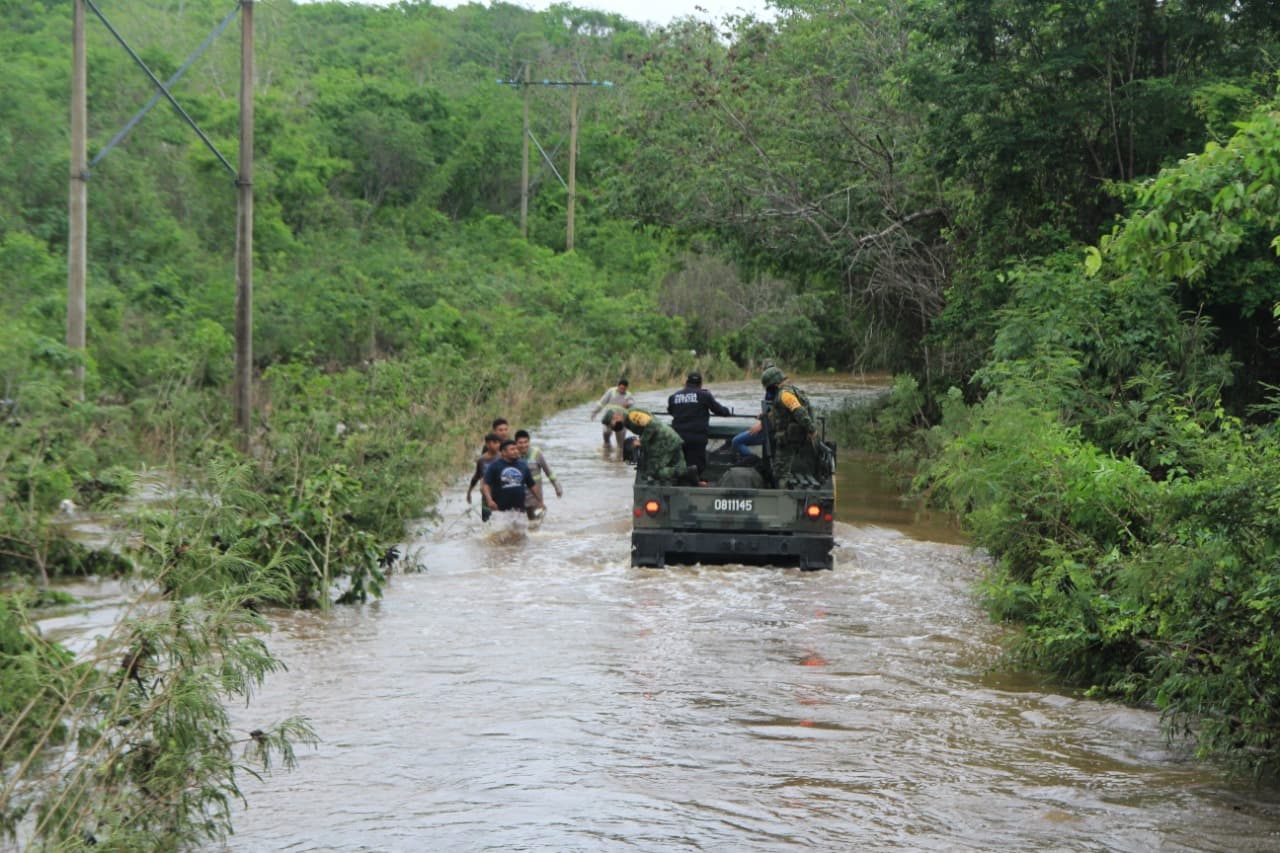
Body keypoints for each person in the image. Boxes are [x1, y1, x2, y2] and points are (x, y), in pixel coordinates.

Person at [602, 407, 700, 486]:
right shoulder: (627, 420)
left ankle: (686, 472)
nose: (613, 427)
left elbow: (653, 424)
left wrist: (641, 441)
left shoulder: (632, 415)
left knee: (655, 471)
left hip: (664, 441)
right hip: (670, 438)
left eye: (612, 424)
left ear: (617, 416)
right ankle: (692, 477)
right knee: (678, 465)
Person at [760, 366, 822, 486]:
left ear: (775, 384)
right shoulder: (787, 392)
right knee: (780, 470)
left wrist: (812, 430)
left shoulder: (785, 395)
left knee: (780, 473)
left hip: (789, 438)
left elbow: (799, 412)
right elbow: (782, 412)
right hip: (790, 436)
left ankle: (783, 493)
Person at [667, 371, 732, 475]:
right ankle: (694, 482)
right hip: (696, 438)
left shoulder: (673, 396)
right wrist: (728, 412)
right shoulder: (704, 395)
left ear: (686, 382)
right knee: (696, 467)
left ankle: (682, 481)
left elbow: (671, 411)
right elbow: (719, 410)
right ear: (700, 384)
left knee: (680, 465)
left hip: (678, 437)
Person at [482, 439, 544, 518]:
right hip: (500, 510)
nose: (516, 451)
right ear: (503, 452)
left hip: (519, 511)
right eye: (512, 449)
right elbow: (486, 485)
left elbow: (532, 485)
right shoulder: (494, 466)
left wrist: (540, 501)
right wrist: (489, 500)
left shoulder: (523, 466)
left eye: (516, 449)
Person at [514, 428, 563, 520]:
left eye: (526, 442)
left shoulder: (536, 453)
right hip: (518, 499)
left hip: (535, 498)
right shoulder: (511, 455)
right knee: (518, 525)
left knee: (536, 523)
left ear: (529, 442)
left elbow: (548, 471)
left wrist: (557, 486)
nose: (523, 445)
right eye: (520, 443)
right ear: (516, 443)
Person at [466, 432, 503, 520]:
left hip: (501, 494)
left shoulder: (503, 458)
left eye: (498, 443)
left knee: (502, 520)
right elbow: (476, 476)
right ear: (487, 444)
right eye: (494, 443)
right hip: (486, 495)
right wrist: (469, 492)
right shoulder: (482, 460)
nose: (497, 445)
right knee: (486, 521)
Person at [588, 379, 633, 448]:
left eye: (624, 389)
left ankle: (619, 453)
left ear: (627, 388)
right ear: (617, 386)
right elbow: (601, 402)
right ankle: (607, 445)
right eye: (621, 388)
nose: (622, 390)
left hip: (621, 420)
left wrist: (629, 403)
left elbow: (632, 402)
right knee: (606, 432)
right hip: (610, 417)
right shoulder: (611, 391)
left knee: (621, 445)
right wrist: (594, 412)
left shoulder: (628, 394)